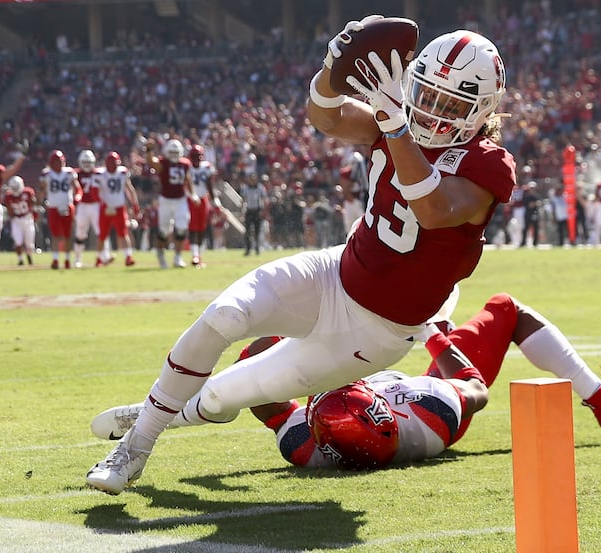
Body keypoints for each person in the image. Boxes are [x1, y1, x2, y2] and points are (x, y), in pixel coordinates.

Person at [86, 20, 516, 495]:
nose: (432, 112)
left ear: (481, 112)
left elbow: (433, 211)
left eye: (450, 104)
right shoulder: (393, 123)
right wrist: (331, 69)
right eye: (427, 95)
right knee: (223, 316)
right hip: (334, 272)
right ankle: (136, 444)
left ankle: (162, 411)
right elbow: (326, 116)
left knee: (224, 394)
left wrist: (395, 123)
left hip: (375, 332)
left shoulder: (487, 162)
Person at [92, 293, 601, 470]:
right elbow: (474, 387)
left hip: (367, 385)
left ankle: (154, 420)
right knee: (507, 310)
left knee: (248, 367)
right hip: (427, 376)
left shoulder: (303, 443)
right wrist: (435, 333)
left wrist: (276, 364)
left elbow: (264, 399)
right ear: (378, 401)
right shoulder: (427, 412)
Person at [144, 138, 195, 269]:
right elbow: (151, 162)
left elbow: (187, 179)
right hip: (166, 200)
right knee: (164, 231)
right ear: (167, 152)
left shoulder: (185, 164)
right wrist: (149, 150)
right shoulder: (164, 163)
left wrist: (193, 194)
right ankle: (160, 252)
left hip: (180, 199)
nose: (173, 155)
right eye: (171, 152)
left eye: (175, 152)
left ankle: (178, 257)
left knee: (182, 227)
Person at [38, 149, 80, 269]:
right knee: (55, 234)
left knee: (67, 234)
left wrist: (77, 197)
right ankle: (56, 259)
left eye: (60, 162)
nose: (59, 164)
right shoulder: (46, 174)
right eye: (56, 162)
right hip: (53, 207)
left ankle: (67, 259)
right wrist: (40, 201)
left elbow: (77, 188)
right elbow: (42, 190)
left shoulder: (69, 172)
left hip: (67, 206)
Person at [97, 151, 141, 267]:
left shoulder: (122, 172)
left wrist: (135, 204)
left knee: (123, 233)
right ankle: (99, 258)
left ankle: (128, 256)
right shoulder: (101, 174)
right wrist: (104, 205)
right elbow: (97, 192)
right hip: (106, 208)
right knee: (103, 235)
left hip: (118, 207)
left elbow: (130, 189)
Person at [187, 144, 219, 267]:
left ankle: (198, 255)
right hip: (190, 199)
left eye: (199, 156)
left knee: (201, 228)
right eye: (195, 156)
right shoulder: (187, 167)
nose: (197, 159)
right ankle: (195, 254)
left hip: (203, 199)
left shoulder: (206, 167)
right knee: (192, 227)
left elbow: (209, 185)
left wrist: (215, 201)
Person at [73, 149, 104, 268]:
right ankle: (77, 258)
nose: (86, 165)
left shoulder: (98, 173)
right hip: (82, 205)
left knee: (101, 231)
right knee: (80, 232)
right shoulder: (76, 173)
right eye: (84, 162)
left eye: (88, 162)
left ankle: (103, 257)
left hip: (95, 205)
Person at [2, 176, 37, 266]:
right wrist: (12, 216)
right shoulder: (8, 196)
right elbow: (9, 210)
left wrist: (34, 210)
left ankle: (29, 255)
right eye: (13, 188)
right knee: (18, 242)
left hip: (28, 218)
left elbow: (33, 205)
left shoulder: (28, 192)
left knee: (29, 244)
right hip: (16, 220)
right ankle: (20, 259)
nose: (15, 189)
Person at [239, 170, 267, 255]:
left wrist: (263, 211)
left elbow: (263, 199)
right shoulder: (245, 188)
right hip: (249, 210)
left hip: (257, 210)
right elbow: (243, 200)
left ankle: (257, 248)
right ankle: (248, 249)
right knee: (247, 231)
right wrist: (242, 212)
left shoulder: (260, 187)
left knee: (257, 231)